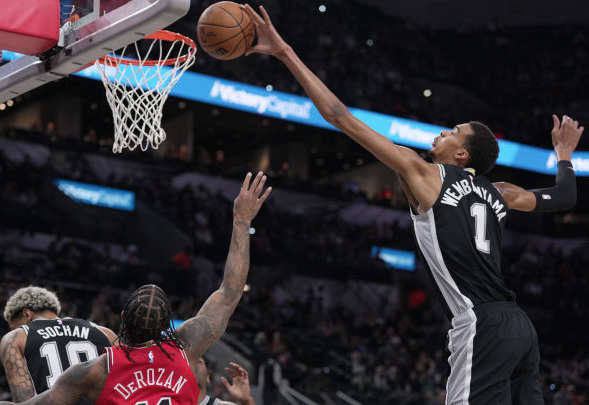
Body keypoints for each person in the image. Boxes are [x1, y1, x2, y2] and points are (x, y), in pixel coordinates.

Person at [239, 5, 583, 404]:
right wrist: (563, 155)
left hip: (482, 322)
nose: (442, 131)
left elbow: (339, 116)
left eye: (453, 132)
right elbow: (564, 197)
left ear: (462, 156)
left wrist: (284, 52)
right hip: (521, 327)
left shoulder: (423, 174)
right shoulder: (500, 192)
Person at [0, 172, 272, 405]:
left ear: (120, 320)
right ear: (171, 328)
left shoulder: (96, 370)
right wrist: (241, 221)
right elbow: (229, 290)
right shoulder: (185, 349)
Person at [0, 286, 118, 401]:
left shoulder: (15, 338)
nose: (15, 330)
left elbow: (24, 401)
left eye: (15, 327)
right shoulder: (106, 333)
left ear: (27, 314)